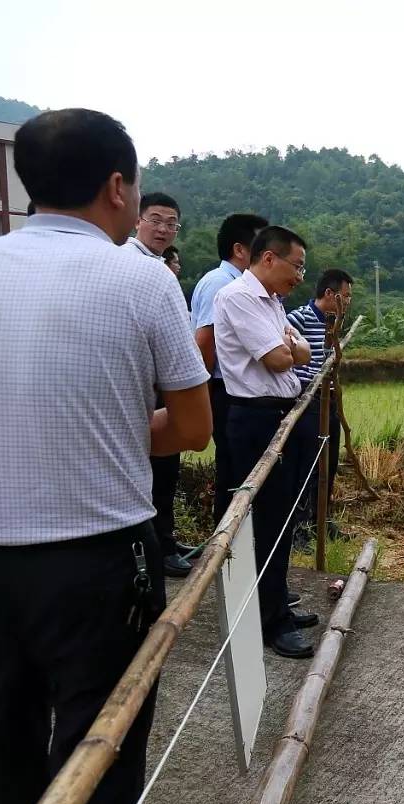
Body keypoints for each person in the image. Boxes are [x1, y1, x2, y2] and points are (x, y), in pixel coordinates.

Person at [0, 109, 210, 804]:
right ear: (117, 187)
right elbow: (190, 427)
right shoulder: (143, 279)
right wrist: (116, 427)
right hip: (99, 561)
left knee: (2, 755)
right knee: (100, 758)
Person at [214, 225, 321, 658]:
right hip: (256, 418)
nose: (300, 276)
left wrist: (293, 350)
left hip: (281, 414)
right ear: (269, 259)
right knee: (266, 522)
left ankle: (276, 602)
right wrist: (291, 350)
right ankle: (268, 622)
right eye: (296, 266)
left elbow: (302, 353)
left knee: (284, 516)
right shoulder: (239, 297)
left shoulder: (273, 302)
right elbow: (280, 357)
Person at [125, 193, 193, 576]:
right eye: (156, 220)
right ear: (137, 220)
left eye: (172, 223)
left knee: (165, 476)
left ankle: (164, 541)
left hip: (165, 392)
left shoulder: (158, 267)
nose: (164, 229)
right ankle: (156, 551)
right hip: (144, 396)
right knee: (151, 478)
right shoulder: (134, 266)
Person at [189, 213, 268, 525]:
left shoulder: (242, 285)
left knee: (239, 468)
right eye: (261, 247)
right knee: (233, 469)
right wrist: (203, 395)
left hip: (230, 390)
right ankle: (226, 541)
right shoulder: (220, 283)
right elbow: (204, 341)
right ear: (240, 249)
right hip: (223, 389)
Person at [288, 268, 353, 545]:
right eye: (346, 296)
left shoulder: (334, 323)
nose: (348, 302)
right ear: (330, 294)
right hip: (307, 399)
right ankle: (300, 528)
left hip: (329, 398)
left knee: (330, 463)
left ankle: (321, 521)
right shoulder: (297, 319)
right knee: (308, 465)